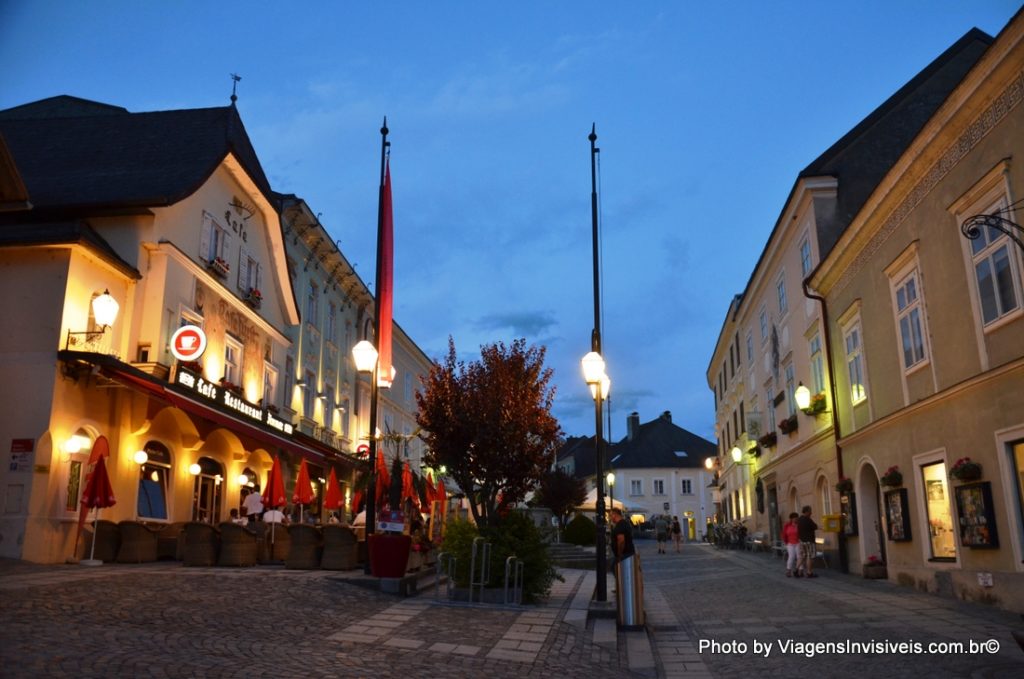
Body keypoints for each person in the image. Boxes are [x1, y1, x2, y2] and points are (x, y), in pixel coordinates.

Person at [796, 505, 819, 578]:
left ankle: (796, 570)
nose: (811, 512)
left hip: (802, 541)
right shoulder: (808, 519)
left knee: (803, 556)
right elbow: (815, 526)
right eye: (810, 511)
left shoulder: (799, 519)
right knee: (810, 556)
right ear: (807, 511)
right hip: (809, 541)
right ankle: (809, 572)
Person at [782, 512, 800, 577]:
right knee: (791, 556)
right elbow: (784, 534)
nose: (796, 519)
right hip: (790, 543)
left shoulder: (799, 525)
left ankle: (800, 571)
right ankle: (788, 570)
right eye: (794, 518)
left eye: (797, 518)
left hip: (798, 543)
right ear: (791, 519)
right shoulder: (787, 525)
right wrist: (786, 542)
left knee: (799, 557)